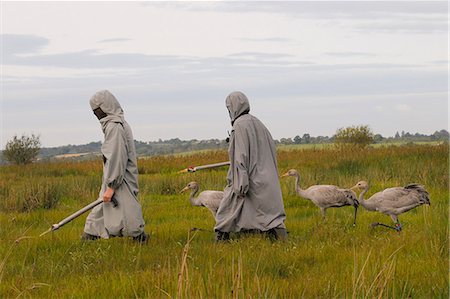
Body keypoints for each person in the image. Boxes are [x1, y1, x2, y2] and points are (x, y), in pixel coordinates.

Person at [214, 91, 287, 241]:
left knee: (227, 210)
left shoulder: (239, 126)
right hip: (266, 178)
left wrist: (240, 185)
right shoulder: (258, 123)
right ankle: (278, 239)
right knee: (269, 213)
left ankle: (221, 238)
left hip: (248, 179)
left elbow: (240, 157)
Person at [82, 90, 147, 243]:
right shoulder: (115, 125)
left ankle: (139, 237)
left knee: (127, 208)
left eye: (98, 110)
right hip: (112, 177)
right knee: (101, 206)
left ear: (106, 107)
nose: (97, 115)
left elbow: (117, 157)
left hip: (119, 178)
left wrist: (112, 185)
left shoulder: (115, 127)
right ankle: (90, 234)